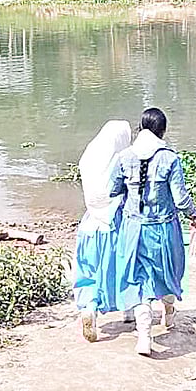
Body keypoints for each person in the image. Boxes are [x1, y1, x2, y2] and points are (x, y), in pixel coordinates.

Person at [108, 108, 196, 356]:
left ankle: (144, 336)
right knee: (168, 273)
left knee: (139, 280)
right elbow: (181, 199)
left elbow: (112, 190)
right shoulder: (170, 159)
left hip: (133, 229)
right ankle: (169, 313)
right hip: (163, 228)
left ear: (141, 128)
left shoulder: (124, 156)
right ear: (162, 131)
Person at [73, 120, 133, 343]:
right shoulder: (121, 161)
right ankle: (128, 309)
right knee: (124, 266)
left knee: (89, 268)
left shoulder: (89, 157)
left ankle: (89, 308)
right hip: (115, 221)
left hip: (90, 223)